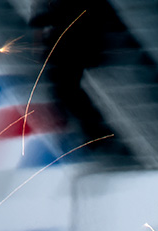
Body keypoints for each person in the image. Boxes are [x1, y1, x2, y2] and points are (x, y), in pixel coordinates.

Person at [29, 0, 125, 143]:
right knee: (66, 90)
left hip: (74, 48)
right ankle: (90, 132)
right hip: (72, 48)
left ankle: (92, 132)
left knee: (66, 90)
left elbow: (42, 20)